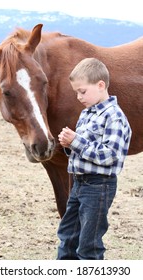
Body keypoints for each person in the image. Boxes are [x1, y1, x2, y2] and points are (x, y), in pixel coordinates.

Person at [57, 57, 132, 260]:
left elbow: (109, 155)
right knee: (67, 235)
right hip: (79, 184)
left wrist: (76, 142)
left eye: (83, 91)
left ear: (100, 85)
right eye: (76, 93)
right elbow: (82, 150)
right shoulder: (87, 114)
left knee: (89, 244)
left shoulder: (114, 117)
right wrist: (68, 145)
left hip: (99, 186)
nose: (79, 97)